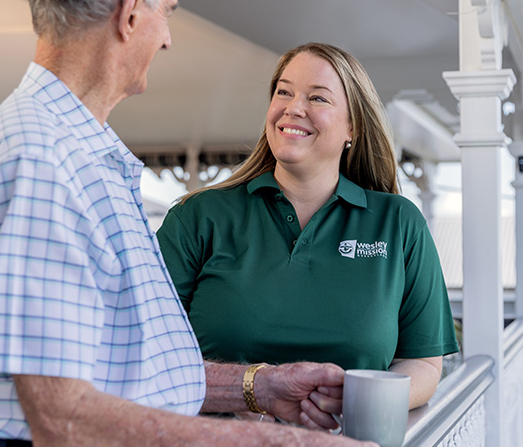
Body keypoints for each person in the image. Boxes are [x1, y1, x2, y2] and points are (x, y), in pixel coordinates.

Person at [0, 0, 393, 447]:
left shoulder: (76, 151)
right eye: (167, 11)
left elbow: (121, 374)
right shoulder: (41, 160)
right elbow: (63, 419)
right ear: (130, 13)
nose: (168, 37)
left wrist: (260, 386)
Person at [156, 42, 460, 412]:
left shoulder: (398, 223)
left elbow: (424, 363)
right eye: (283, 92)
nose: (293, 108)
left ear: (353, 127)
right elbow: (147, 349)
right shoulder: (197, 217)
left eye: (318, 98)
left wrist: (351, 400)